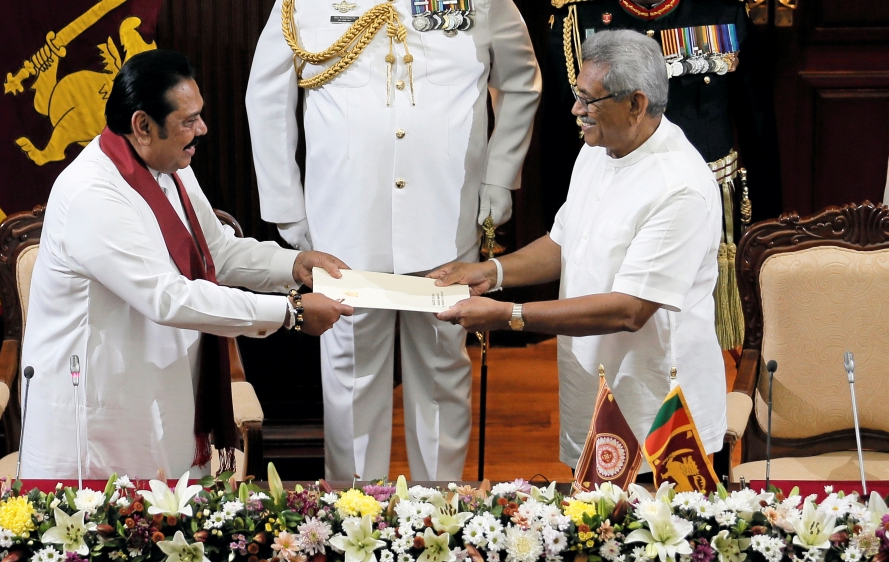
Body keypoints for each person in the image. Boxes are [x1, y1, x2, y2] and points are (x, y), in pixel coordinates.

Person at [19, 49, 353, 480]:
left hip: (162, 401)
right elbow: (168, 298)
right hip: (97, 428)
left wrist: (295, 264)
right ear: (142, 125)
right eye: (188, 120)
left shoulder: (169, 165)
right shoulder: (91, 194)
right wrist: (290, 312)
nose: (202, 129)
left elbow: (217, 252)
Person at [246, 0, 541, 480]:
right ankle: (355, 508)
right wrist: (286, 204)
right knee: (351, 365)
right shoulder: (303, 5)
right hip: (344, 218)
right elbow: (267, 95)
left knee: (443, 363)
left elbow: (520, 81)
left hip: (446, 215)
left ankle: (439, 508)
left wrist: (499, 177)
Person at [432, 30, 726, 472]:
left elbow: (630, 310)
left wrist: (508, 315)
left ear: (636, 104)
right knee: (594, 533)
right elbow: (565, 242)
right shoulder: (600, 146)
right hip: (593, 393)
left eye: (589, 100)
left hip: (660, 419)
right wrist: (491, 272)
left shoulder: (679, 187)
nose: (576, 110)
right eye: (577, 94)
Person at [540, 0, 783, 351]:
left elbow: (757, 123)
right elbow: (559, 133)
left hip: (712, 207)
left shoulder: (722, 10)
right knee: (621, 336)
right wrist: (561, 225)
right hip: (616, 203)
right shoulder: (581, 15)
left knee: (711, 339)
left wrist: (766, 229)